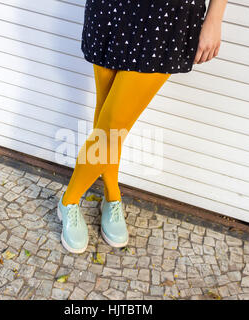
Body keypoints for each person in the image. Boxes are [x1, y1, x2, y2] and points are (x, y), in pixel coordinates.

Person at [57, 0, 228, 253]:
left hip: (167, 14)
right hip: (111, 8)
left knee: (112, 125)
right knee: (108, 119)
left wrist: (214, 17)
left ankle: (68, 200)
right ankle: (112, 194)